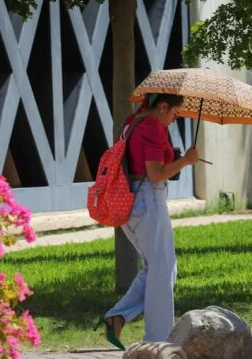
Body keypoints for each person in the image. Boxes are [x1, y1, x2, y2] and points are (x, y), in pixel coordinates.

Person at [95, 93, 199, 349]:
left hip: (131, 202)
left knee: (160, 267)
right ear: (163, 107)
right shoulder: (152, 126)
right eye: (175, 113)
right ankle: (158, 343)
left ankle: (118, 318)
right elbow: (155, 174)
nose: (174, 120)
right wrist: (185, 161)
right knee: (162, 271)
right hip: (148, 200)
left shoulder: (133, 122)